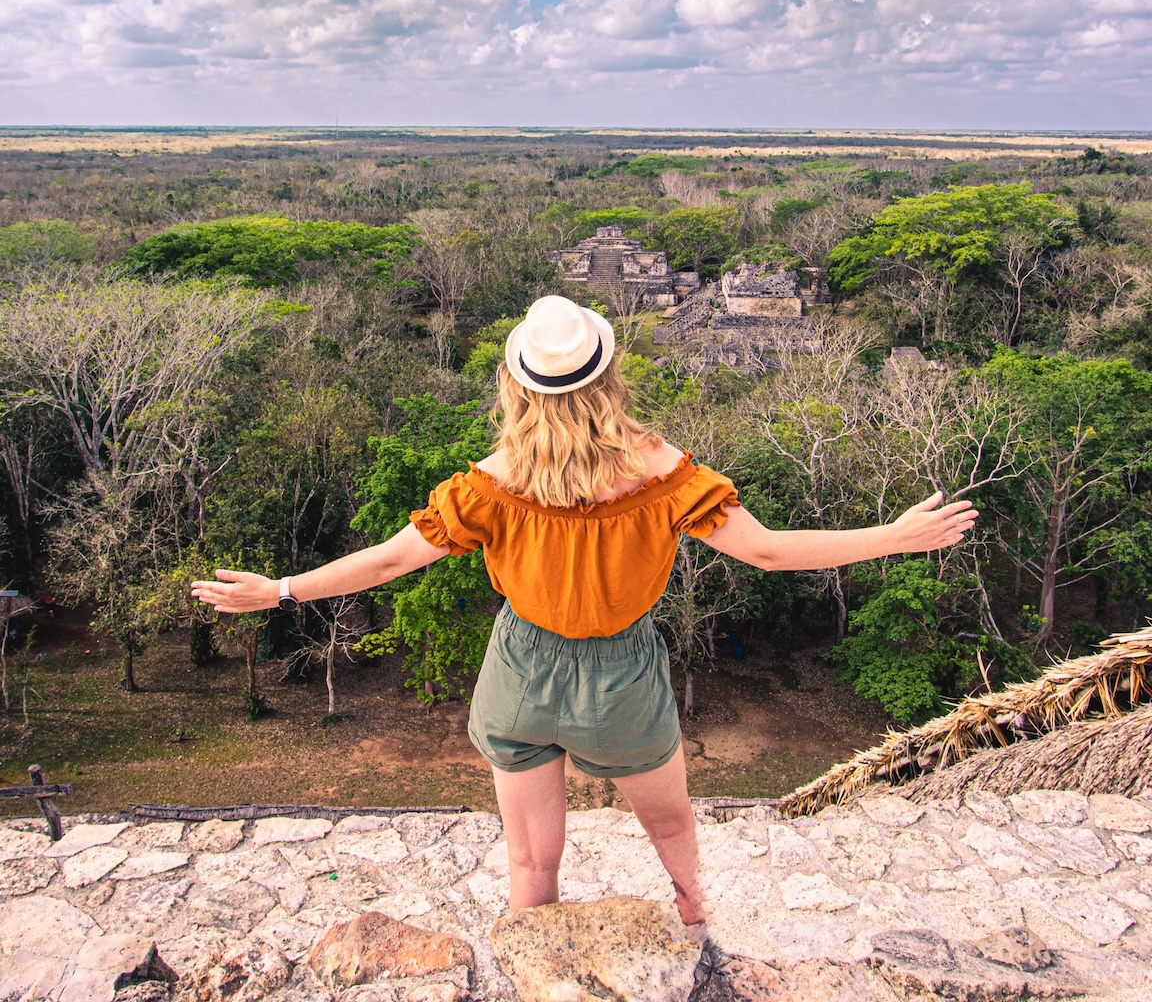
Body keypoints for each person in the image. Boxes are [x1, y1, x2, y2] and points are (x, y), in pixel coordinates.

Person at [191, 295, 977, 926]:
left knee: (531, 866)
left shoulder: (491, 482)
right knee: (672, 831)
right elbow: (769, 551)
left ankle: (539, 968)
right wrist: (895, 537)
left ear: (518, 385)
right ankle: (697, 928)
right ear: (608, 378)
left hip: (519, 670)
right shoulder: (664, 474)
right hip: (620, 674)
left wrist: (281, 590)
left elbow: (394, 559)